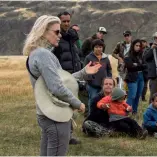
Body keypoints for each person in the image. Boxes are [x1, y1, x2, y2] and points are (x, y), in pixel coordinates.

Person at [23, 15, 101, 156]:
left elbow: (57, 81)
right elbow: (57, 87)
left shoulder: (37, 53)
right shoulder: (43, 55)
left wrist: (84, 72)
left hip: (47, 112)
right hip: (56, 116)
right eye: (57, 32)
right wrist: (78, 104)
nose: (60, 35)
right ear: (43, 31)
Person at [52, 11, 83, 145]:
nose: (66, 23)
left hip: (73, 76)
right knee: (61, 106)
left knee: (70, 107)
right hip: (61, 76)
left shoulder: (72, 37)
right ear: (59, 22)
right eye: (63, 21)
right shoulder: (55, 37)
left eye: (68, 21)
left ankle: (68, 135)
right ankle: (60, 136)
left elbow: (76, 56)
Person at [84, 39, 112, 114]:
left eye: (100, 47)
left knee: (103, 101)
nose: (98, 49)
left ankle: (100, 118)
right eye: (96, 47)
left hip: (103, 85)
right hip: (92, 85)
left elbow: (109, 69)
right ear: (93, 48)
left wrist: (109, 79)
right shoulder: (89, 58)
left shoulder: (105, 58)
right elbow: (85, 71)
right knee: (93, 101)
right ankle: (91, 117)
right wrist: (90, 79)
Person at [124, 39, 147, 115]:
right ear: (133, 46)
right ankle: (125, 112)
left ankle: (134, 112)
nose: (138, 47)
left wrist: (137, 65)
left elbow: (145, 65)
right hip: (132, 77)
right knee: (132, 95)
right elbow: (130, 67)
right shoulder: (128, 55)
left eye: (139, 46)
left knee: (138, 95)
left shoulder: (141, 55)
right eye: (136, 45)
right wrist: (140, 66)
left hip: (141, 77)